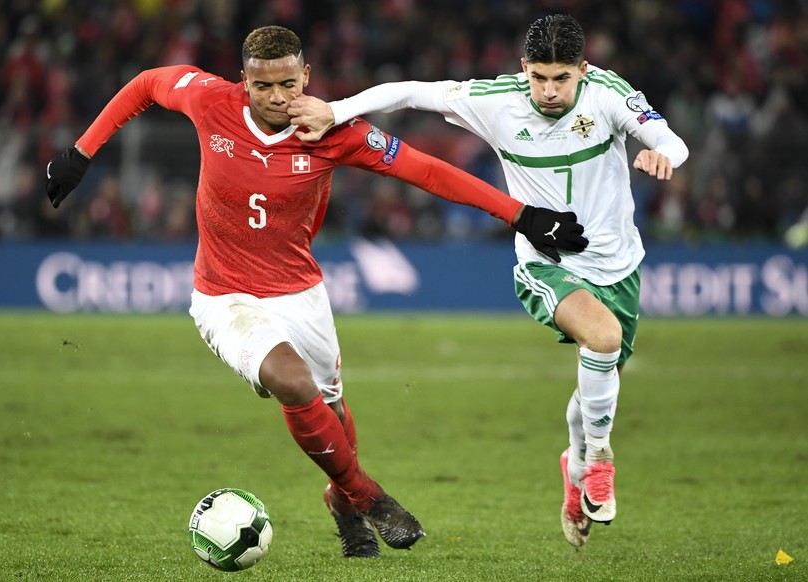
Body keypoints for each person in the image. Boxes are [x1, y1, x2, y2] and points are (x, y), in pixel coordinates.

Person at [44, 25, 587, 558]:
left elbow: (425, 171)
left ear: (306, 76)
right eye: (263, 87)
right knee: (292, 381)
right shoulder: (210, 100)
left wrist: (521, 215)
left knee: (331, 410)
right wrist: (82, 151)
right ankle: (369, 498)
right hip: (224, 294)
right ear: (244, 81)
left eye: (288, 85)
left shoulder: (333, 131)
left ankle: (340, 499)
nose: (278, 98)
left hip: (300, 292)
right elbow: (144, 84)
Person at [288, 14, 689, 547]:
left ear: (582, 71)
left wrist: (662, 154)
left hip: (619, 264)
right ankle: (598, 461)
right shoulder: (495, 100)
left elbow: (673, 141)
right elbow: (409, 92)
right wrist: (336, 110)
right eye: (538, 77)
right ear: (524, 68)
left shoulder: (609, 95)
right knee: (603, 340)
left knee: (601, 371)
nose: (548, 91)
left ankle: (577, 465)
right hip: (547, 263)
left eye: (561, 79)